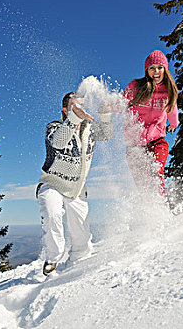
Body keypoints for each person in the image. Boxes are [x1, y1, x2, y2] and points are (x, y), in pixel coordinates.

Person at [37, 91, 113, 276]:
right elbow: (58, 143)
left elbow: (106, 134)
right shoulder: (55, 127)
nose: (81, 110)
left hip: (77, 189)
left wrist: (105, 115)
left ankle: (77, 265)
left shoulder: (90, 128)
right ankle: (53, 257)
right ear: (65, 110)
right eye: (75, 106)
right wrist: (73, 119)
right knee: (53, 215)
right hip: (52, 185)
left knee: (81, 235)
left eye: (83, 106)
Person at [123, 50, 179, 197]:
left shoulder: (168, 92)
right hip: (135, 145)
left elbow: (172, 111)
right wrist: (107, 106)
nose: (156, 71)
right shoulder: (136, 87)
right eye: (152, 68)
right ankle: (149, 212)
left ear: (165, 70)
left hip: (157, 141)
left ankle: (161, 209)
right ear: (146, 70)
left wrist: (173, 124)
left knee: (156, 173)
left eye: (160, 67)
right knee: (143, 184)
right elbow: (121, 103)